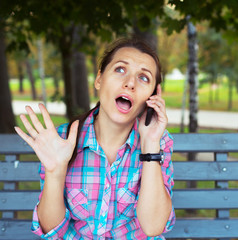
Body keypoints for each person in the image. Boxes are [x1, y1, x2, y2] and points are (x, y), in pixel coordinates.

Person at [14, 37, 175, 239]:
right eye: (120, 69)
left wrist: (150, 145)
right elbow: (52, 230)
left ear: (153, 95)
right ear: (99, 79)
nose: (130, 83)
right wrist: (55, 171)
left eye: (144, 78)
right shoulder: (62, 139)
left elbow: (153, 227)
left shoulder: (158, 142)